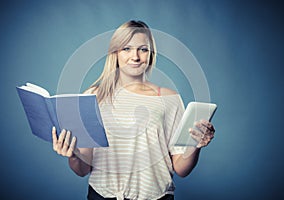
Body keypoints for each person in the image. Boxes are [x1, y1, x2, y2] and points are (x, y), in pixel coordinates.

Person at [52, 20, 215, 200]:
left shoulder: (169, 98)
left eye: (143, 49)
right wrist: (73, 155)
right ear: (115, 53)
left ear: (151, 54)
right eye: (126, 49)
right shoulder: (92, 96)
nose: (135, 56)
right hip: (101, 196)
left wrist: (196, 145)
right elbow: (82, 170)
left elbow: (181, 169)